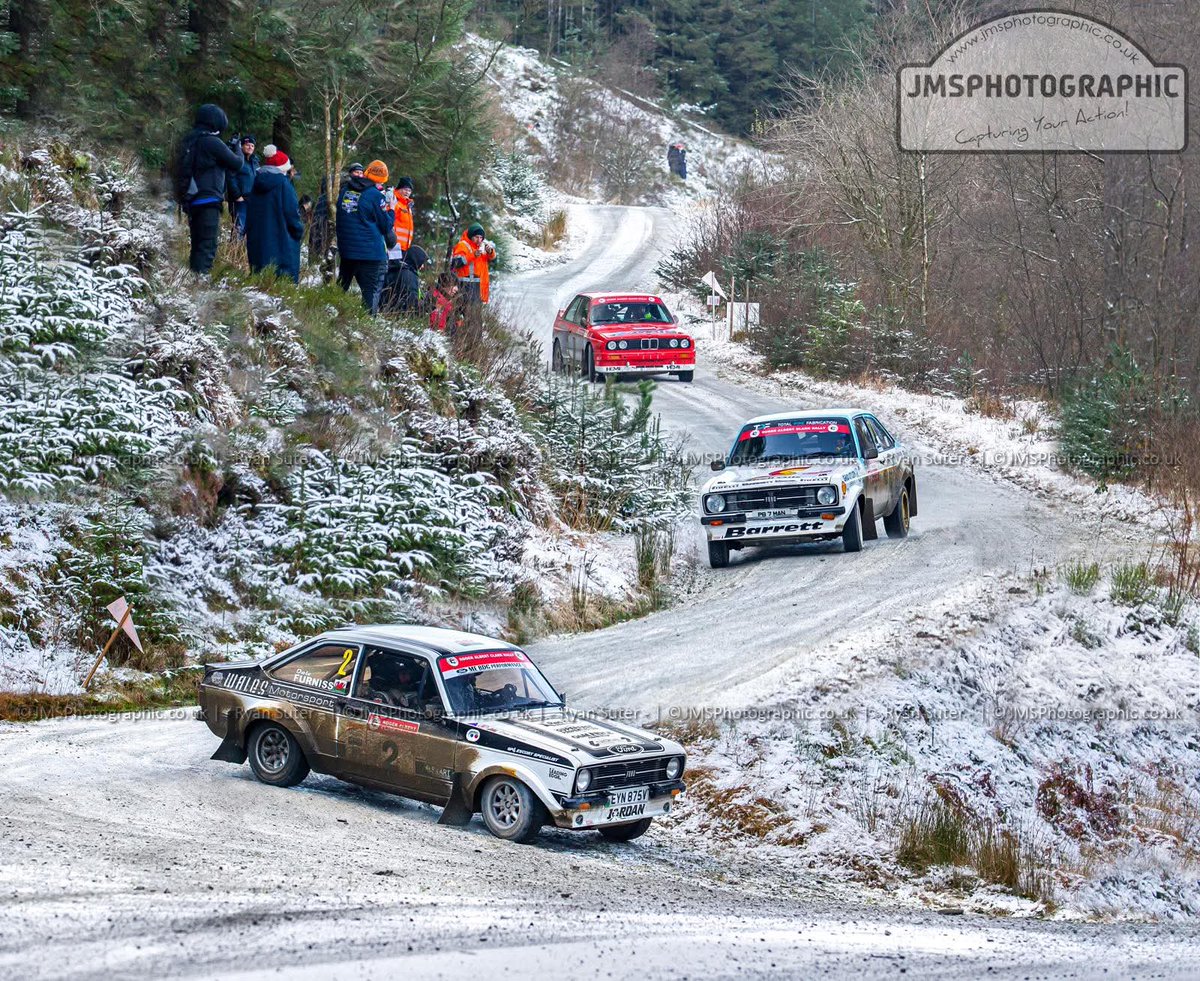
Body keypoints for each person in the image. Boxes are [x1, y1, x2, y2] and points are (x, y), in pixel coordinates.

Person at [177, 104, 243, 274]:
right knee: (207, 245)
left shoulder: (190, 141)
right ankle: (201, 283)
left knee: (197, 245)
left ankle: (193, 280)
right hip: (209, 199)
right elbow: (236, 163)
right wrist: (237, 148)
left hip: (192, 199)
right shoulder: (211, 142)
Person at [334, 159, 396, 314]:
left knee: (340, 289)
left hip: (347, 250)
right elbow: (386, 226)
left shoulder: (347, 191)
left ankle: (331, 316)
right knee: (370, 294)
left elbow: (347, 215)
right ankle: (367, 327)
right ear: (382, 180)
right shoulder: (376, 196)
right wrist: (392, 210)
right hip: (370, 254)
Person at [244, 146, 304, 282]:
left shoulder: (256, 182)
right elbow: (292, 214)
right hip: (282, 243)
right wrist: (298, 231)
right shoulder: (284, 184)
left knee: (259, 281)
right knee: (282, 284)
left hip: (258, 241)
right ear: (283, 168)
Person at [228, 134, 258, 237]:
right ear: (241, 146)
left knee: (250, 230)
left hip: (253, 200)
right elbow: (230, 178)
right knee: (239, 229)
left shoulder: (255, 162)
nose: (250, 147)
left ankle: (245, 252)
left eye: (252, 146)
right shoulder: (237, 159)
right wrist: (237, 196)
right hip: (240, 200)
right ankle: (234, 252)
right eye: (247, 145)